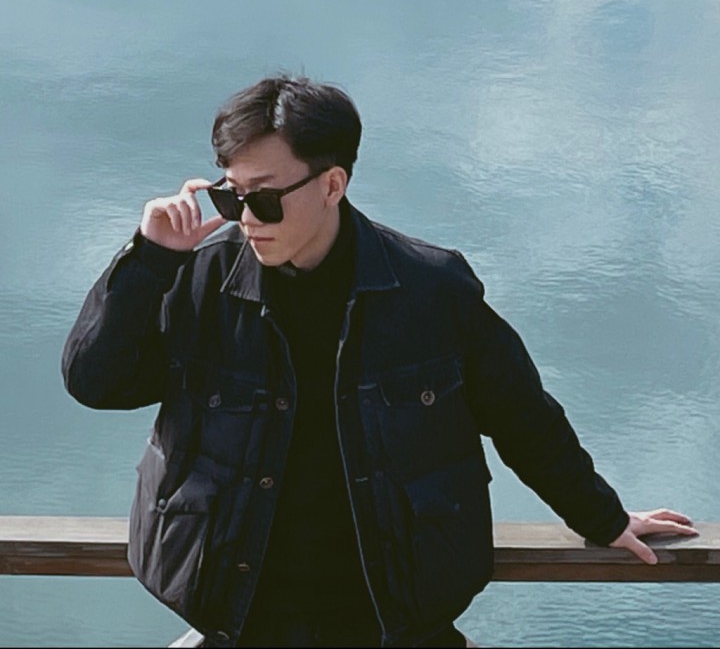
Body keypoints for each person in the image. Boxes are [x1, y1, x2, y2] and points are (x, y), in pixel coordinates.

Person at [62, 74, 697, 648]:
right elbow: (95, 382)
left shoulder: (432, 289)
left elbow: (522, 416)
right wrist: (148, 260)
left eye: (266, 198)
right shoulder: (193, 280)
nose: (246, 219)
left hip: (392, 617)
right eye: (232, 197)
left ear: (332, 184)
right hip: (238, 612)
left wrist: (601, 517)